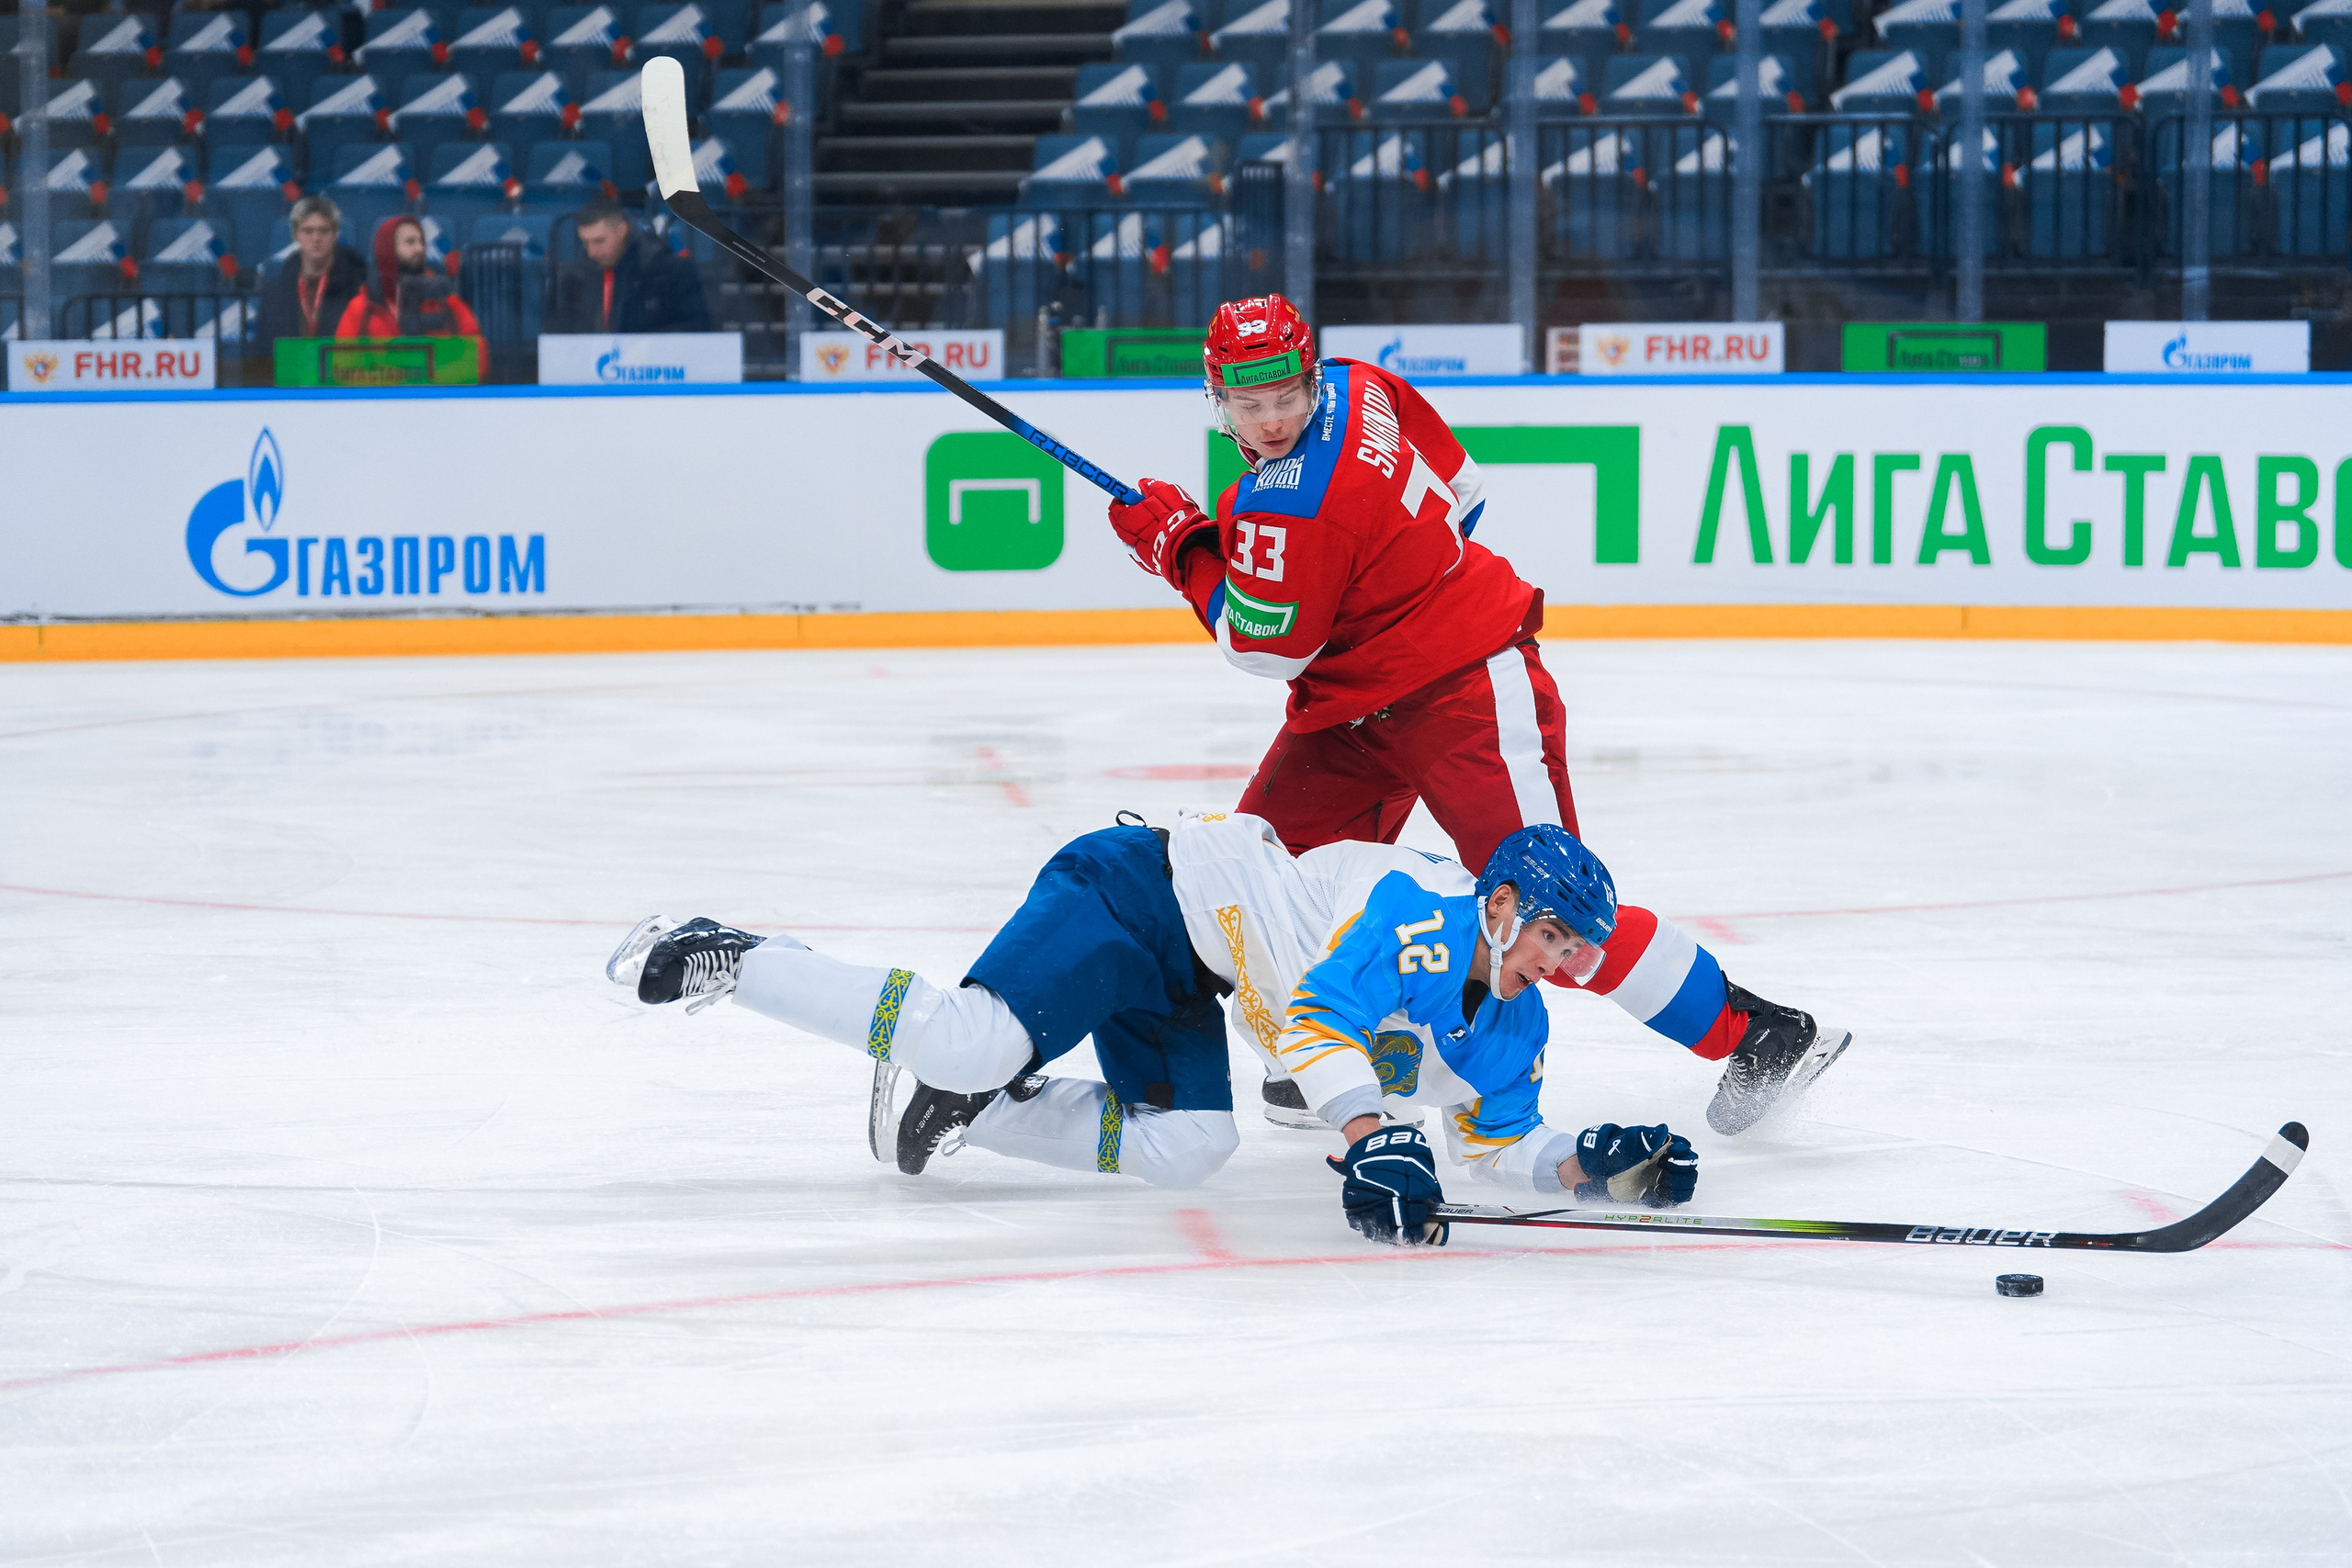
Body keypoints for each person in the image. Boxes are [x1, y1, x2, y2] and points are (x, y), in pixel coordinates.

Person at [1104, 294, 1849, 1138]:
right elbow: (1463, 489)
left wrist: (1181, 547)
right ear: (1219, 400)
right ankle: (1331, 1053)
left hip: (1466, 693)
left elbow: (1265, 645)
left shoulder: (1286, 502)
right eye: (1250, 402)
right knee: (1267, 876)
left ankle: (1759, 1033)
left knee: (1545, 906)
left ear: (1308, 376)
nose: (1272, 420)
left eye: (1286, 396)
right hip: (1354, 709)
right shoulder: (1362, 385)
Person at [604, 818, 1718, 1238]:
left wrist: (1590, 1166)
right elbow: (1319, 1019)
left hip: (1192, 973)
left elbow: (1495, 1145)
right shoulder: (1414, 907)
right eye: (1554, 936)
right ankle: (735, 955)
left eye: (1577, 951)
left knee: (1192, 1147)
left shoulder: (1516, 1030)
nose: (1561, 964)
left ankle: (973, 1113)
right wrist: (1371, 1133)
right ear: (1504, 903)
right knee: (970, 1036)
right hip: (1140, 888)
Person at [334, 214, 489, 372]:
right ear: (387, 249)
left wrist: (433, 373)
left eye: (421, 242)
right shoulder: (361, 307)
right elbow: (341, 364)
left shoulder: (446, 300)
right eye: (410, 242)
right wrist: (392, 372)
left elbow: (478, 356)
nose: (419, 249)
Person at [546, 197, 712, 334]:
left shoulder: (667, 271)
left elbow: (696, 326)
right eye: (585, 242)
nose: (592, 252)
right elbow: (560, 331)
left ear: (622, 230)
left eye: (599, 241)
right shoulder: (575, 277)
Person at [255, 195, 368, 357]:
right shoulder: (275, 293)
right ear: (295, 235)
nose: (316, 238)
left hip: (339, 371)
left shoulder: (357, 286)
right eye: (308, 231)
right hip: (291, 371)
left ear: (335, 234)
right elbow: (264, 352)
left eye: (324, 230)